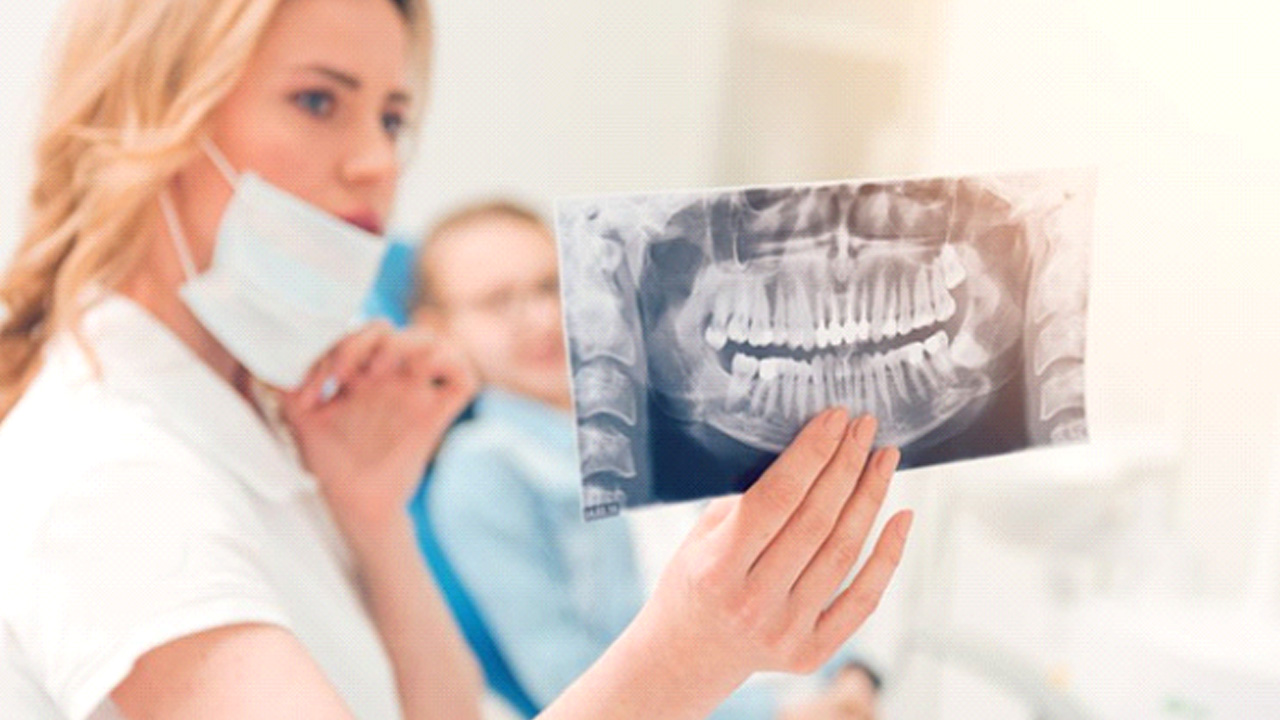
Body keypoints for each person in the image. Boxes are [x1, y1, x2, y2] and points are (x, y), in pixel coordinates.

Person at [0, 1, 912, 719]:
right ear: (149, 113)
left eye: (392, 116)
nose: (376, 161)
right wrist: (691, 653)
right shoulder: (108, 471)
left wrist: (372, 518)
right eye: (317, 101)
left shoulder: (256, 429)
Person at [411, 200, 885, 720]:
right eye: (498, 302)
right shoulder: (481, 467)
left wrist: (852, 677)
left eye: (551, 286)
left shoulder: (674, 409)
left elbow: (797, 565)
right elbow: (565, 678)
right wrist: (779, 713)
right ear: (437, 329)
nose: (542, 317)